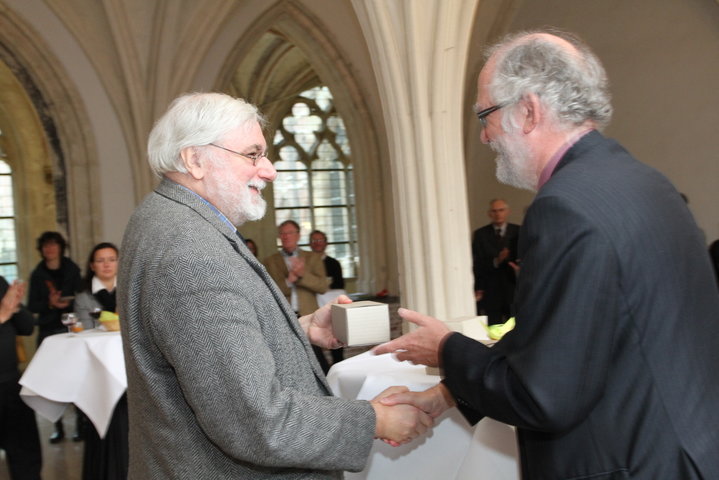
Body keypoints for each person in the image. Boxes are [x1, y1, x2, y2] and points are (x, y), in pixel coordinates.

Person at [375, 29, 719, 479]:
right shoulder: (643, 181)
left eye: (486, 115)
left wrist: (446, 348)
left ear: (530, 110)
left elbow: (544, 396)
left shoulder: (563, 206)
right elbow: (566, 334)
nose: (485, 136)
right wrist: (447, 393)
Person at [117, 92, 431, 479]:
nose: (269, 170)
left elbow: (200, 352)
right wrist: (375, 421)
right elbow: (254, 422)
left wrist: (299, 329)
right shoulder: (192, 251)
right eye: (253, 154)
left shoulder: (166, 218)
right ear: (194, 159)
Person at [74, 242, 128, 480]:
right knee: (103, 423)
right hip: (98, 369)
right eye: (101, 260)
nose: (107, 264)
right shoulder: (83, 298)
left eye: (111, 259)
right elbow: (86, 331)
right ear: (92, 265)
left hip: (128, 369)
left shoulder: (128, 290)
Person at [27, 230, 83, 443]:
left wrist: (68, 302)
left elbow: (82, 295)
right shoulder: (37, 273)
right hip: (49, 330)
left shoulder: (72, 269)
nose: (50, 249)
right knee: (52, 381)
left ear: (60, 247)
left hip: (72, 329)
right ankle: (57, 426)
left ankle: (80, 424)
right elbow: (32, 305)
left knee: (75, 378)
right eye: (46, 246)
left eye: (53, 245)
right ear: (41, 250)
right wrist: (50, 303)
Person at [263, 220, 332, 373]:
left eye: (290, 233)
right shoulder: (270, 261)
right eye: (282, 233)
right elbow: (267, 291)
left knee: (316, 357)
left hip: (308, 313)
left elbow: (322, 286)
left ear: (298, 235)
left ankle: (327, 389)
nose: (286, 236)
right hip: (283, 315)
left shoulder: (312, 258)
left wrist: (302, 276)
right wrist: (289, 280)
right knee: (288, 357)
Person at [0, 277, 42, 480]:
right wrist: (3, 314)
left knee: (25, 455)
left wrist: (15, 305)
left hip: (10, 384)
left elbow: (27, 327)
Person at [471, 198, 520, 324]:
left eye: (501, 210)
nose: (498, 214)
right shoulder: (481, 234)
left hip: (513, 287)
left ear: (508, 212)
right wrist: (496, 260)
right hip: (491, 289)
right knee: (494, 325)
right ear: (489, 214)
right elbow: (478, 262)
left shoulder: (518, 231)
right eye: (494, 211)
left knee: (516, 324)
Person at [310, 229, 347, 364]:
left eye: (320, 240)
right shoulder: (306, 263)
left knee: (336, 338)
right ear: (310, 244)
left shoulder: (333, 263)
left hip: (330, 306)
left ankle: (338, 366)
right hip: (311, 307)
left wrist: (318, 284)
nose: (317, 243)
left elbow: (338, 284)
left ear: (326, 243)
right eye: (314, 240)